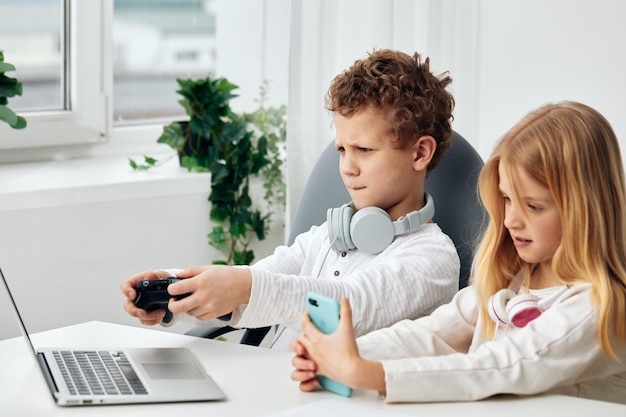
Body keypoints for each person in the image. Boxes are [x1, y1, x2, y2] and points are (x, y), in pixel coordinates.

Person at [121, 49, 460, 350]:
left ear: (420, 152)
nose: (346, 168)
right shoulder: (328, 237)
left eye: (364, 150)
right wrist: (178, 290)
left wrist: (244, 287)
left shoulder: (433, 258)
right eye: (342, 149)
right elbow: (261, 281)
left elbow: (351, 306)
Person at [290, 101, 626, 404]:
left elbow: (501, 366)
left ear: (585, 211)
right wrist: (342, 354)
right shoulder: (515, 279)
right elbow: (434, 333)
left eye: (534, 207)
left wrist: (368, 373)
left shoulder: (599, 307)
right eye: (507, 199)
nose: (510, 220)